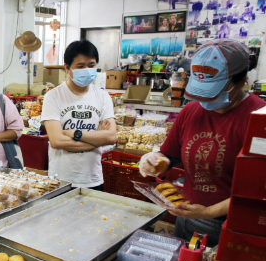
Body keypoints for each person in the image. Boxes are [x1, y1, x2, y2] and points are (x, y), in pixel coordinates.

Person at [139, 39, 265, 247]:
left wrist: (209, 212)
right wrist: (154, 160)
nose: (206, 100)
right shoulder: (191, 111)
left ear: (242, 80)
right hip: (189, 217)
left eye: (214, 90)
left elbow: (257, 192)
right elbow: (170, 156)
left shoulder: (258, 119)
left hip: (234, 226)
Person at [41, 40, 116, 190]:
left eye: (92, 65)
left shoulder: (103, 97)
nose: (87, 70)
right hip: (61, 180)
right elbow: (57, 141)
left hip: (93, 179)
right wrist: (96, 140)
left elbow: (111, 137)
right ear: (67, 68)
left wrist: (75, 133)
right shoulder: (53, 96)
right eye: (81, 66)